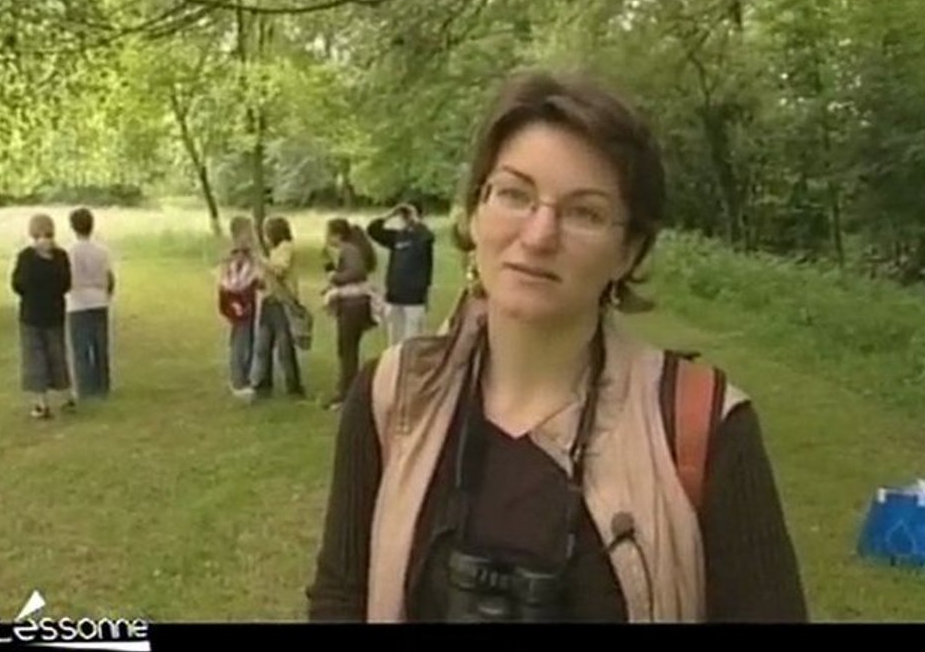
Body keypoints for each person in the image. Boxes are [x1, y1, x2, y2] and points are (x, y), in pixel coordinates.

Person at [306, 70, 808, 622]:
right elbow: (339, 599)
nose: (540, 235)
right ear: (475, 214)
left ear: (629, 252)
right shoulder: (391, 395)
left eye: (585, 212)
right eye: (515, 194)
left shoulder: (705, 428)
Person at [10, 213, 76, 419]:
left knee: (35, 358)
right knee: (57, 355)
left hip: (31, 315)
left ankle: (41, 403)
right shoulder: (61, 256)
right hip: (54, 313)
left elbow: (18, 284)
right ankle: (66, 397)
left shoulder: (26, 257)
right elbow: (66, 284)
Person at [321, 218, 378, 411]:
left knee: (347, 350)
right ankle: (347, 390)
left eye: (328, 232)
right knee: (347, 349)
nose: (326, 237)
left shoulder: (348, 250)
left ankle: (347, 394)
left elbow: (357, 272)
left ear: (337, 235)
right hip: (354, 304)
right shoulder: (349, 249)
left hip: (353, 306)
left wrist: (335, 277)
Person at [246, 216, 306, 400]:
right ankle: (262, 384)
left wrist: (259, 259)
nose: (265, 237)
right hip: (269, 300)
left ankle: (294, 386)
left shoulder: (286, 247)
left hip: (281, 302)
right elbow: (270, 276)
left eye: (267, 233)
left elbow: (279, 270)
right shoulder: (274, 251)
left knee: (284, 346)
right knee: (263, 345)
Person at [367, 201, 435, 345]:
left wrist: (416, 220)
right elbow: (373, 230)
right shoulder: (397, 237)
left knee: (412, 340)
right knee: (394, 340)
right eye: (403, 215)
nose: (405, 218)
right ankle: (394, 366)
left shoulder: (422, 236)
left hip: (414, 298)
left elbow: (428, 237)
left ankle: (410, 367)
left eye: (407, 215)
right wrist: (391, 213)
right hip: (394, 296)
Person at [66, 207, 115, 399]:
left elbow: (67, 277)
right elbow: (109, 276)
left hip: (77, 302)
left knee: (81, 347)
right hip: (99, 300)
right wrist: (107, 295)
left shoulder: (69, 252)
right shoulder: (102, 251)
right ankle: (103, 384)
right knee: (100, 345)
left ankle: (85, 387)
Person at [218, 215, 261, 398]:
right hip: (238, 300)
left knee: (246, 336)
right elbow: (235, 280)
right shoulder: (237, 255)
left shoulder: (243, 253)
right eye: (248, 231)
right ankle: (238, 381)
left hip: (244, 298)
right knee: (241, 338)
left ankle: (243, 376)